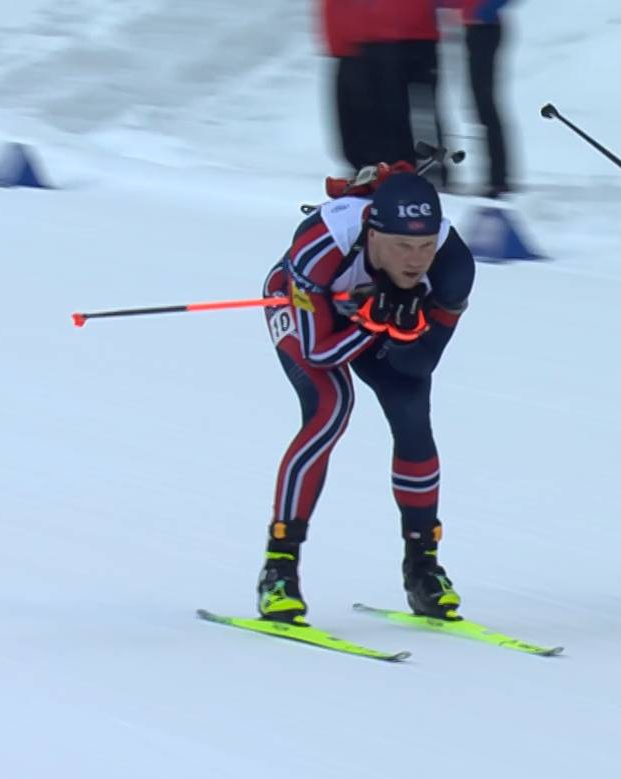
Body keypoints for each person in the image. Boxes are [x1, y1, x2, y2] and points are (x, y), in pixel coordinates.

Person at [258, 165, 475, 624]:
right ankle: (279, 568)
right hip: (304, 306)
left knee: (413, 415)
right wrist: (371, 318)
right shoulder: (322, 243)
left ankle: (423, 567)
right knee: (330, 409)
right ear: (372, 234)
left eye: (424, 246)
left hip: (367, 317)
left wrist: (403, 327)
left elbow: (418, 365)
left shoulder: (453, 266)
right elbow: (317, 352)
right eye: (401, 246)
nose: (415, 260)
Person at [320, 0, 447, 182]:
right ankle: (388, 164)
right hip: (372, 40)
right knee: (386, 110)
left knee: (410, 110)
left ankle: (420, 167)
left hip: (394, 39)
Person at [461, 0, 512, 198]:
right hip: (475, 27)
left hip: (485, 28)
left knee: (485, 104)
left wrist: (485, 10)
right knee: (481, 105)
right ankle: (496, 177)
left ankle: (498, 178)